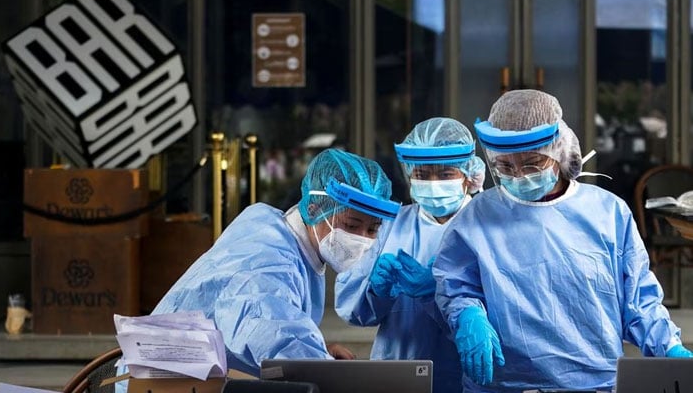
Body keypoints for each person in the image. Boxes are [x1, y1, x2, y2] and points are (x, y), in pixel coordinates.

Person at [432, 89, 693, 393]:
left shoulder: (607, 213)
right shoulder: (476, 217)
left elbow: (638, 299)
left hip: (595, 383)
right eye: (505, 166)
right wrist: (467, 314)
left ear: (559, 150)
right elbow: (455, 285)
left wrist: (670, 348)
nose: (518, 175)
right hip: (505, 384)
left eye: (531, 164)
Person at [119, 148, 401, 384]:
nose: (361, 240)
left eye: (373, 230)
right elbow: (269, 328)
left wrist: (320, 353)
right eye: (351, 226)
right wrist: (319, 364)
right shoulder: (266, 257)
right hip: (159, 383)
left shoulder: (282, 234)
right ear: (315, 210)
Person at [335, 117, 486, 393]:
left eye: (444, 174)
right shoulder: (390, 225)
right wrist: (377, 292)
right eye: (422, 174)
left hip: (468, 376)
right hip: (397, 372)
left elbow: (508, 314)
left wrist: (442, 293)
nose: (432, 183)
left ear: (469, 175)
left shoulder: (487, 226)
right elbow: (355, 313)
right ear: (409, 175)